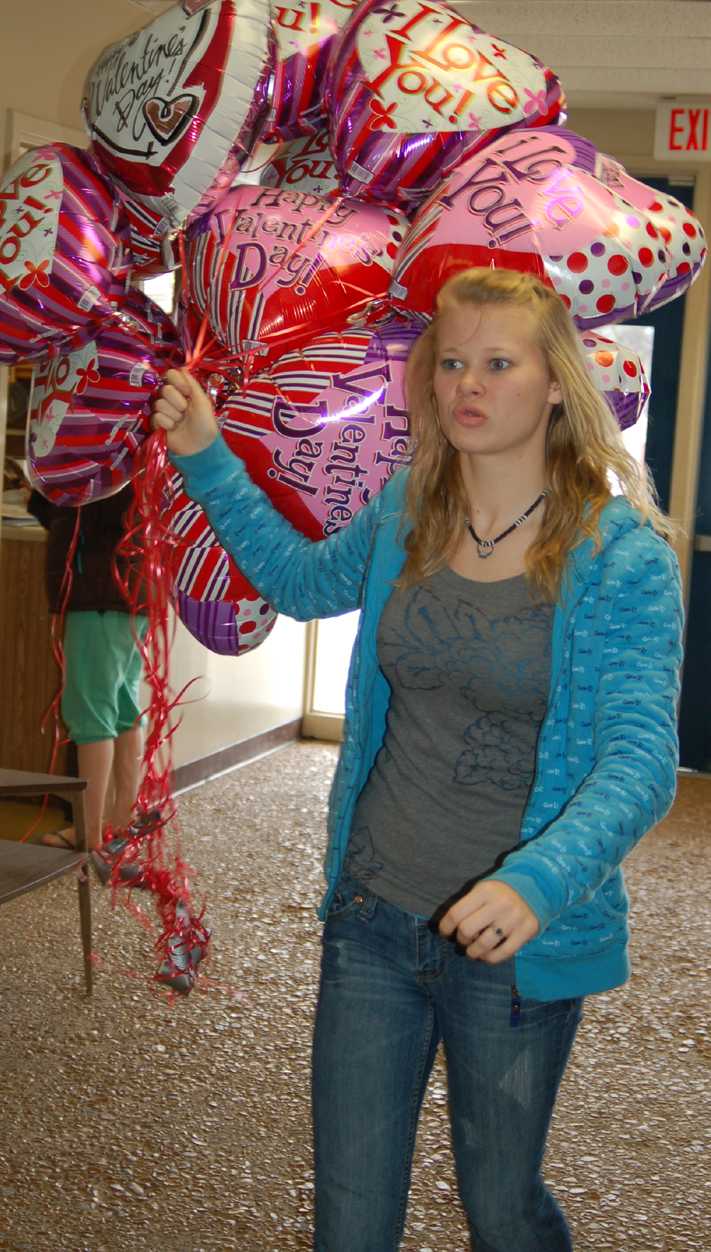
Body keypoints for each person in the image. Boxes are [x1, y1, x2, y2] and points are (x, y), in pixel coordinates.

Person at [152, 267, 684, 1251]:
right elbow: (302, 583)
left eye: (497, 362)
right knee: (349, 1219)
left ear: (556, 382)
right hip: (373, 916)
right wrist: (207, 454)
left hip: (516, 949)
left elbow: (641, 759)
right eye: (450, 362)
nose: (467, 383)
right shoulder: (407, 510)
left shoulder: (622, 556)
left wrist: (537, 881)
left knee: (501, 1206)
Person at [28, 484, 149, 879]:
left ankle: (91, 834)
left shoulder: (102, 454)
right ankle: (118, 824)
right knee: (121, 707)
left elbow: (59, 505)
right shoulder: (141, 443)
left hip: (99, 590)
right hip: (130, 589)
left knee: (90, 712)